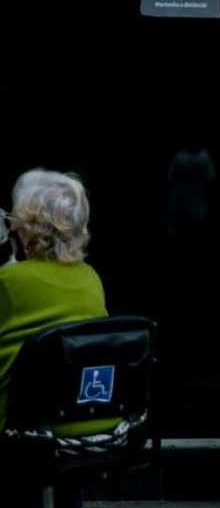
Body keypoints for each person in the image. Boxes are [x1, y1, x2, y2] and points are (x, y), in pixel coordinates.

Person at [0, 169, 108, 508]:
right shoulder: (91, 278)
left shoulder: (9, 282)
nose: (10, 226)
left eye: (13, 219)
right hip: (94, 420)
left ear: (28, 229)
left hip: (28, 429)